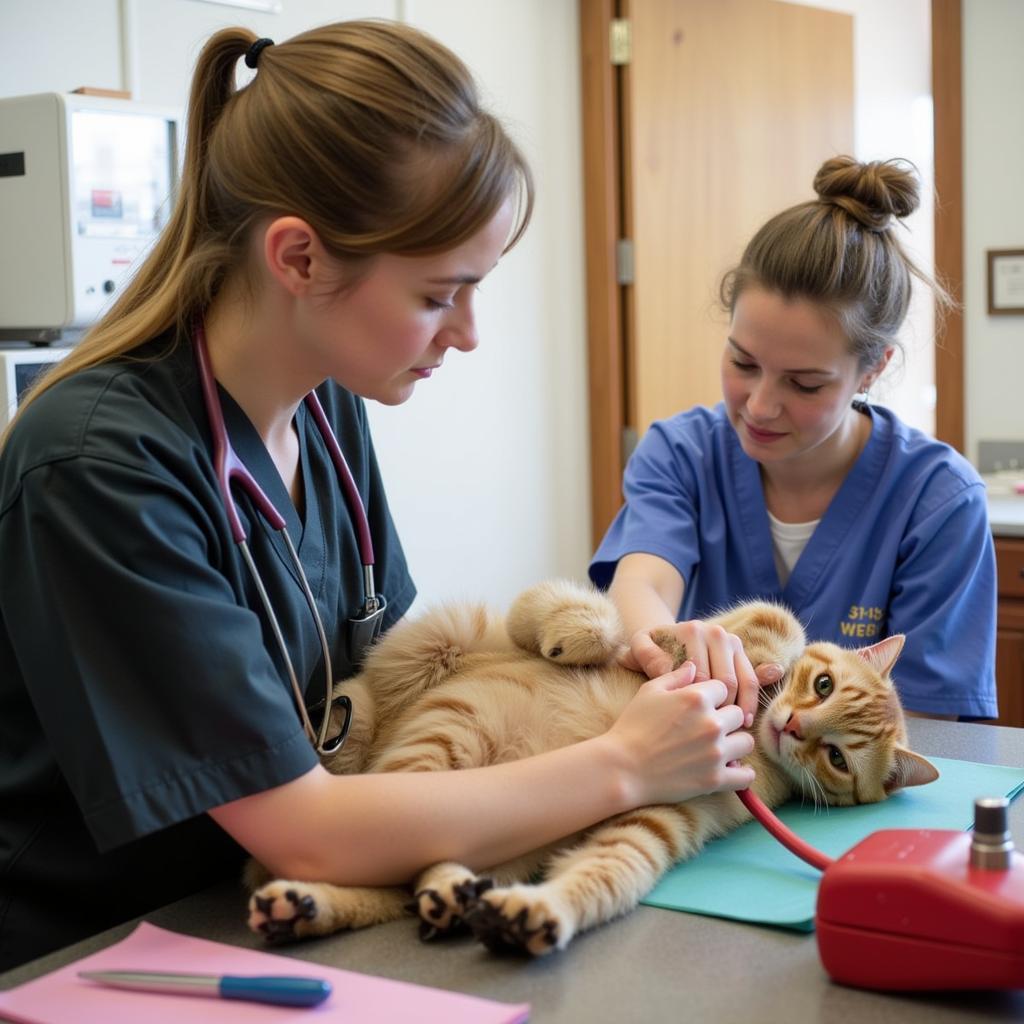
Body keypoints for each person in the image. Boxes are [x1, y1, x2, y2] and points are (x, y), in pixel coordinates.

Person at [0, 21, 758, 972]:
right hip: (96, 954)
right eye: (442, 295)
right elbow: (304, 828)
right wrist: (623, 765)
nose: (469, 335)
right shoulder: (97, 465)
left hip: (259, 923)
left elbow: (396, 689)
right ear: (300, 259)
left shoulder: (325, 413)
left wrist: (624, 670)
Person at [590, 156, 998, 724]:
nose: (759, 406)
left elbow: (926, 728)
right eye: (743, 362)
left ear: (872, 370)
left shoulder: (937, 503)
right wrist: (663, 645)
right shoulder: (681, 455)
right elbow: (641, 584)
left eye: (804, 383)